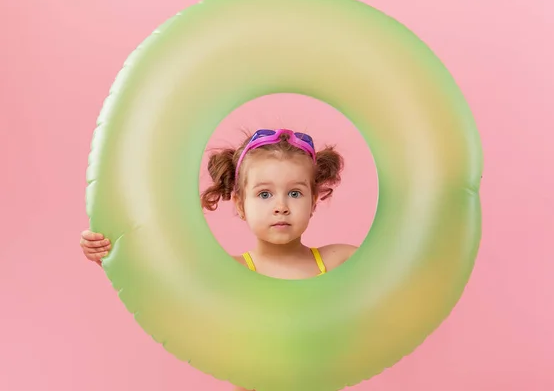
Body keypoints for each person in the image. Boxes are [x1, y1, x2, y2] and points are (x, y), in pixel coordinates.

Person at [79, 128, 358, 390]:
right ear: (240, 203)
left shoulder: (336, 261)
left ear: (314, 201)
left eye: (295, 193)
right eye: (264, 194)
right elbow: (158, 278)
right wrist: (107, 251)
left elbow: (395, 273)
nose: (281, 207)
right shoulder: (229, 272)